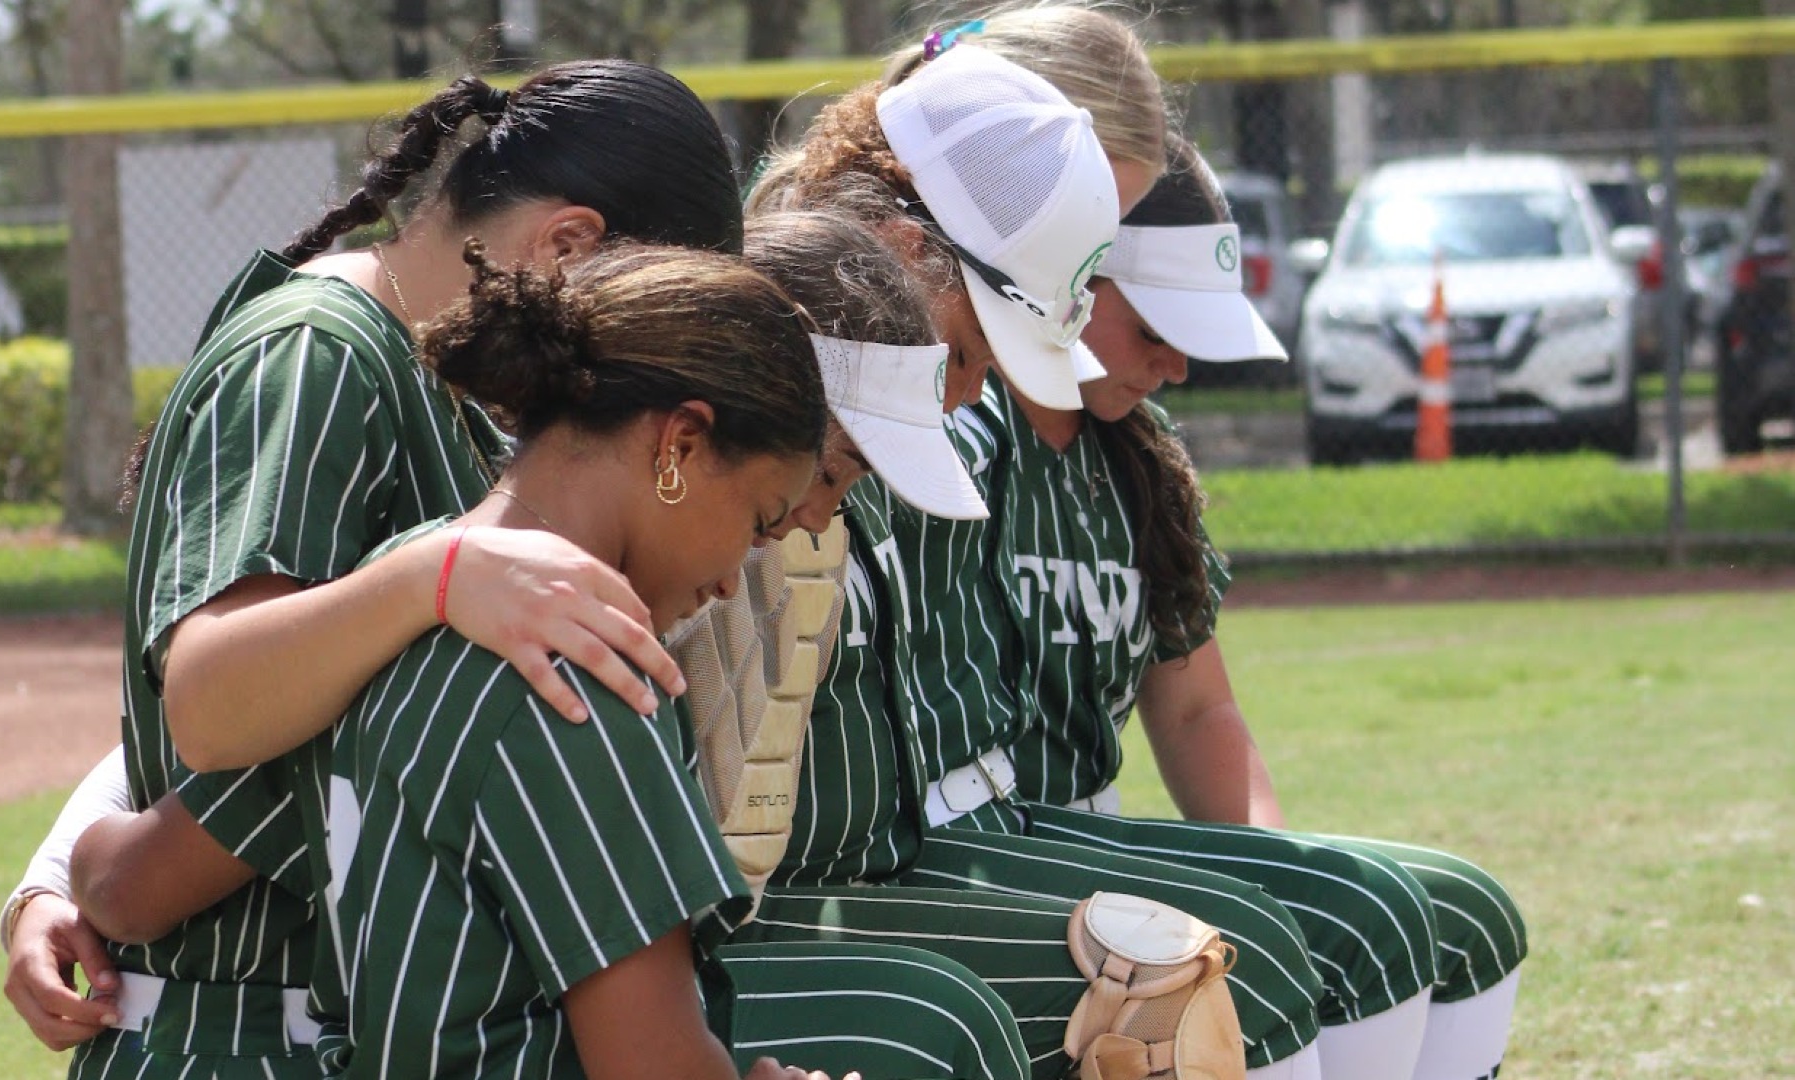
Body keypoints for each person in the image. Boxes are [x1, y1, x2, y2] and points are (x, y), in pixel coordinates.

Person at [5, 61, 742, 1075]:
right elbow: (211, 701)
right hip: (242, 1034)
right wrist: (428, 576)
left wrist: (62, 869)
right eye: (645, 306)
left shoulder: (432, 367)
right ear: (569, 243)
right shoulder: (317, 351)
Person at [737, 35, 1335, 1080]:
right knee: (1177, 978)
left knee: (1250, 945)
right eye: (972, 355)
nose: (973, 396)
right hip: (812, 894)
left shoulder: (950, 417)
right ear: (898, 246)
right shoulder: (755, 423)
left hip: (894, 859)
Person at [315, 237, 1023, 1079]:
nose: (733, 580)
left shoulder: (397, 580)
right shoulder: (578, 671)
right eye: (759, 519)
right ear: (680, 445)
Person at [998, 134, 1529, 1080]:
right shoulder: (965, 429)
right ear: (1062, 278)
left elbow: (1200, 708)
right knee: (1325, 936)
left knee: (1468, 910)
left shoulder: (1134, 455)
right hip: (991, 850)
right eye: (1155, 328)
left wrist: (1280, 871)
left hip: (1097, 840)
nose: (1177, 365)